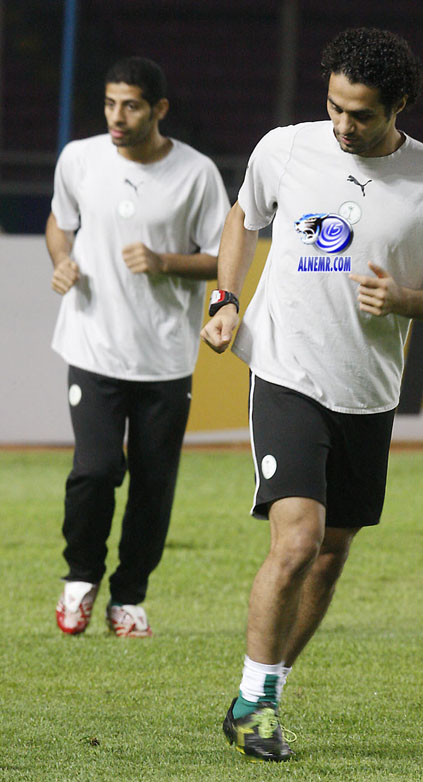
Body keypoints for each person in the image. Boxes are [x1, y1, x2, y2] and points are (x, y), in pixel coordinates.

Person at [201, 27, 423, 760]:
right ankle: (257, 704)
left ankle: (261, 691)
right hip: (286, 369)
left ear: (399, 105)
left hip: (369, 389)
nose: (344, 126)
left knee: (331, 553)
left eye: (361, 114)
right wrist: (225, 298)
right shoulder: (286, 148)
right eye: (334, 107)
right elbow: (243, 216)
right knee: (297, 541)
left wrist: (406, 301)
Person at [47, 56, 229, 638]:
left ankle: (127, 599)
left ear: (159, 109)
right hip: (92, 344)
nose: (116, 117)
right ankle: (80, 578)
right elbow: (59, 222)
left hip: (165, 357)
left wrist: (164, 261)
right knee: (95, 469)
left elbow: (221, 256)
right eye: (109, 104)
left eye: (130, 106)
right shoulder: (80, 158)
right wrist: (61, 260)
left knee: (153, 484)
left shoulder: (196, 174)